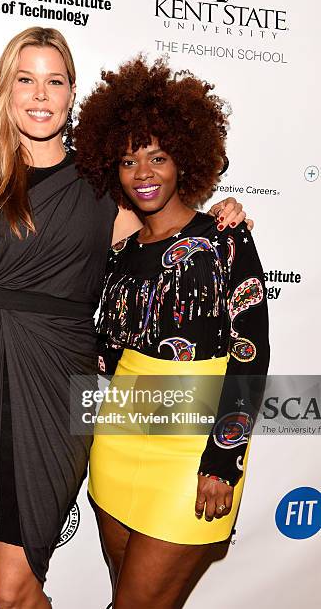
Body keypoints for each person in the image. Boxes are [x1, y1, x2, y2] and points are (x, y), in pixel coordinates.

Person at [0, 27, 250, 609]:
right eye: (26, 80)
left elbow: (165, 225)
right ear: (6, 91)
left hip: (55, 391)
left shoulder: (104, 191)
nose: (39, 94)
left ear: (72, 95)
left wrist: (221, 212)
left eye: (55, 81)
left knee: (11, 585)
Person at [74, 56, 270, 608]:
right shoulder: (120, 254)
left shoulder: (226, 239)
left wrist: (223, 460)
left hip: (193, 448)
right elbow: (105, 358)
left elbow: (251, 359)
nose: (144, 173)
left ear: (184, 160)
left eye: (157, 157)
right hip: (117, 441)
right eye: (129, 160)